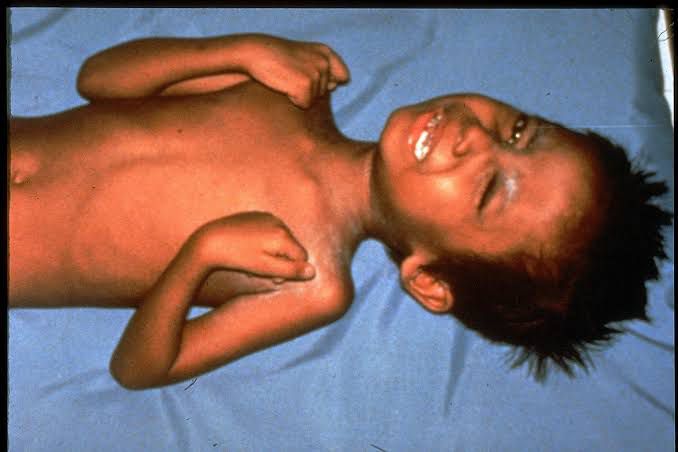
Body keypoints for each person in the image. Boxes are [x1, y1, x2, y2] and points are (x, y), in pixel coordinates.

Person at [8, 33, 671, 389]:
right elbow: (96, 79)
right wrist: (237, 50)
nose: (476, 137)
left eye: (490, 190)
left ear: (428, 279)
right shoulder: (291, 92)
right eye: (519, 130)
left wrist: (198, 257)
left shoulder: (311, 281)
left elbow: (139, 370)